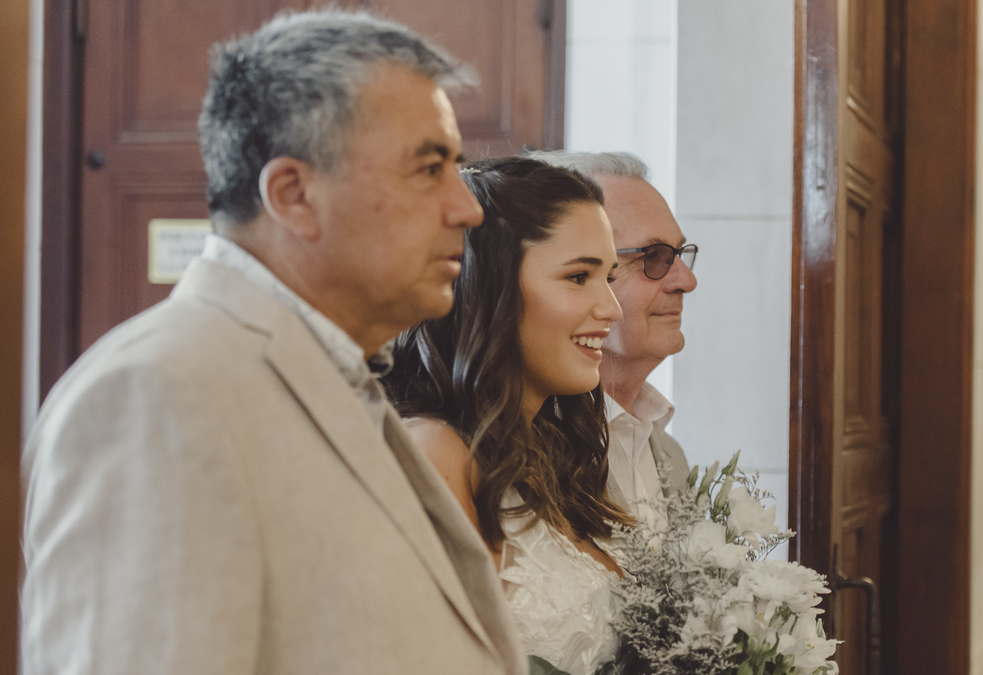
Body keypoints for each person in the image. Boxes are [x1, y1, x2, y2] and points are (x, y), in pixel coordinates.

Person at [21, 11, 526, 675]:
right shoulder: (159, 393)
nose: (468, 208)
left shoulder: (335, 371)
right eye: (429, 168)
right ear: (293, 195)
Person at [383, 157, 631, 675]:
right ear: (487, 288)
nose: (612, 308)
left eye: (609, 277)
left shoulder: (557, 454)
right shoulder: (436, 451)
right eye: (579, 277)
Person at [527, 151, 698, 528]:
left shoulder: (670, 455)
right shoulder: (521, 452)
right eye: (654, 257)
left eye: (679, 254)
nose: (687, 281)